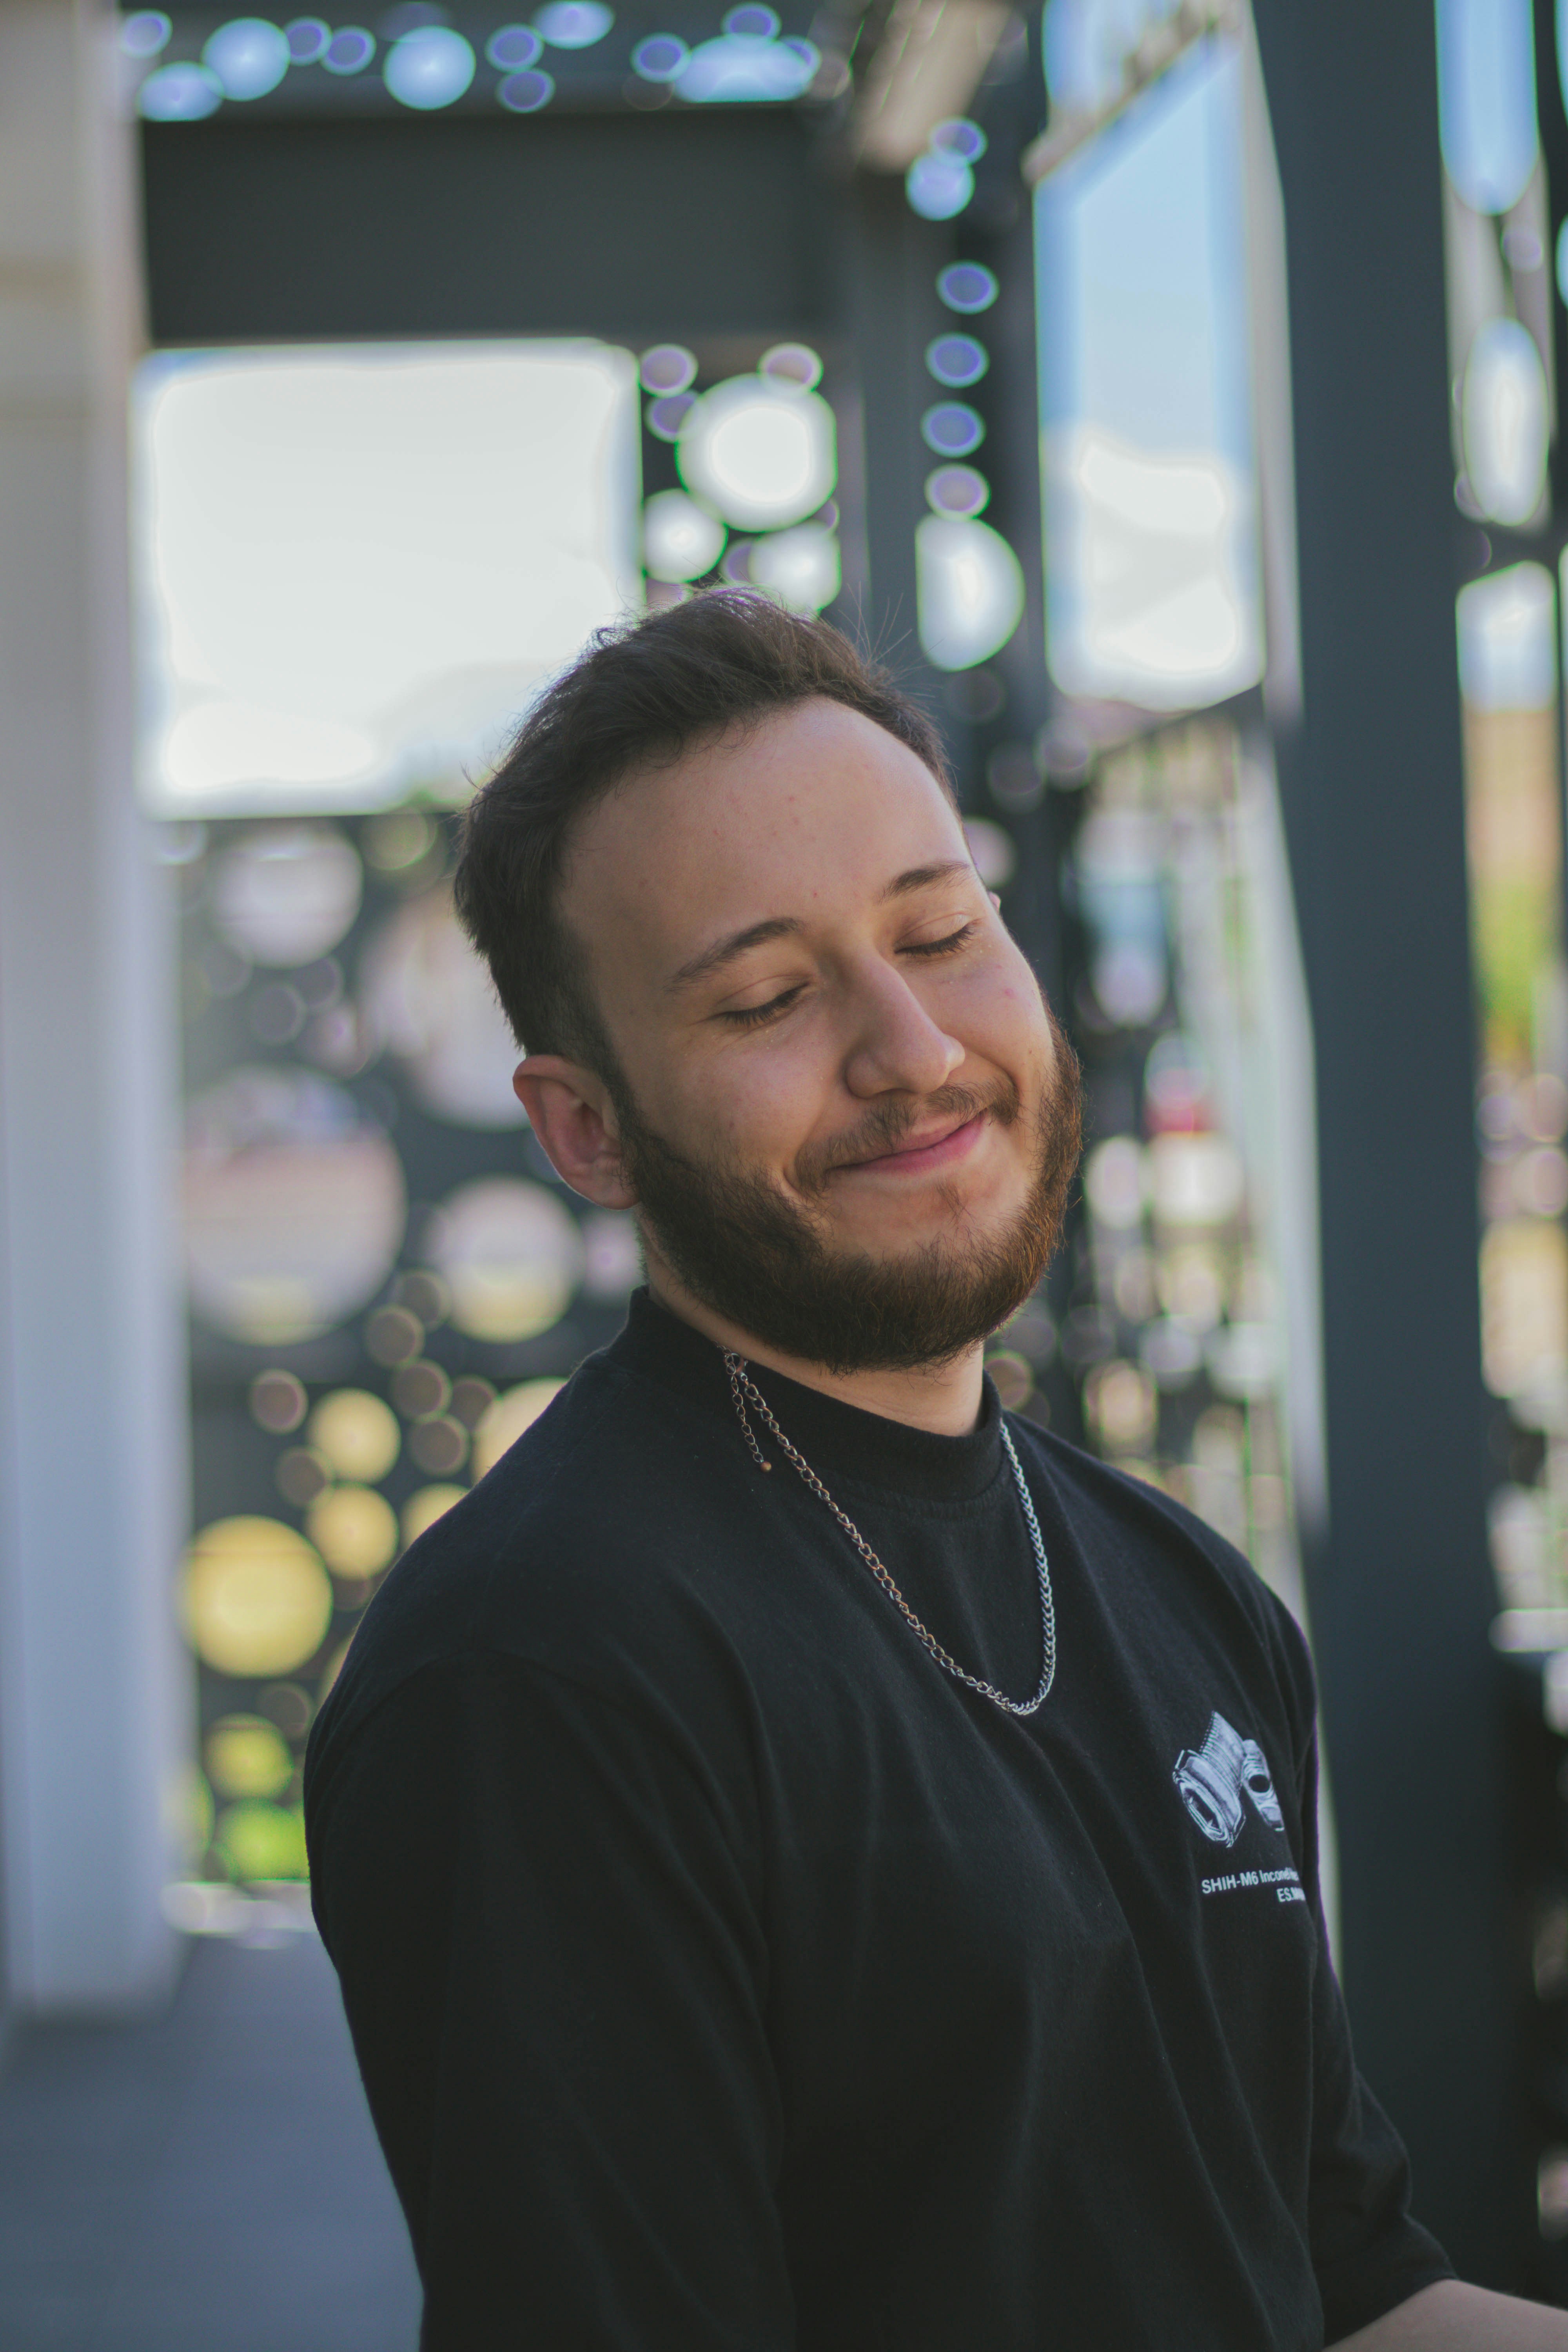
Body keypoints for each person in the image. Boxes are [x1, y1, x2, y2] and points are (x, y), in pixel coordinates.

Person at [305, 590, 1560, 2349]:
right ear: (585, 1127)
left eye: (943, 928)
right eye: (765, 996)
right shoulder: (544, 1675)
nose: (912, 1051)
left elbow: (1344, 2290)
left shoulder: (1181, 1588)